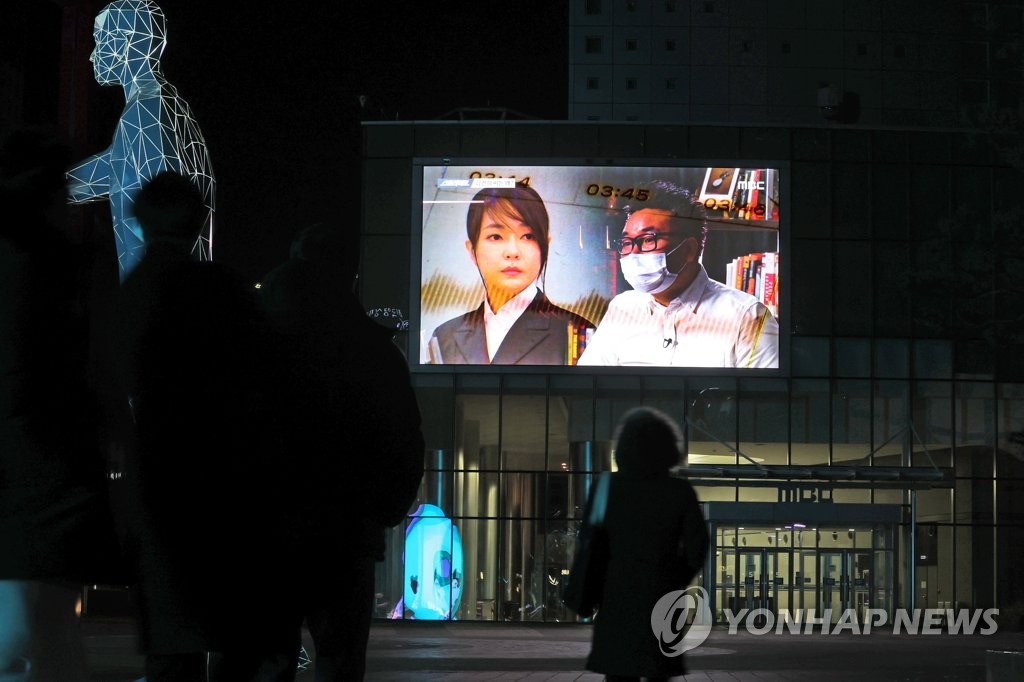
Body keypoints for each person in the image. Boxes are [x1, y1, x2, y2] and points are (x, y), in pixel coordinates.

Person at [114, 171, 282, 681]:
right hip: (227, 485)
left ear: (141, 221)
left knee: (172, 642)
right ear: (197, 222)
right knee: (236, 638)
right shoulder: (222, 292)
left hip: (161, 481)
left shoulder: (131, 295)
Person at [258, 222, 426, 681]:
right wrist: (380, 513)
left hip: (266, 533)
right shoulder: (372, 351)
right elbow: (404, 440)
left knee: (265, 662)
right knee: (340, 664)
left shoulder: (256, 342)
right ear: (349, 276)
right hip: (345, 535)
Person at [0, 128, 125, 681]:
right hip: (42, 496)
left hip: (32, 494)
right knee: (39, 641)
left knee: (32, 640)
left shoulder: (34, 264)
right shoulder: (47, 268)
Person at [66, 0, 215, 282]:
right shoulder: (163, 105)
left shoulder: (146, 110)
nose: (91, 56)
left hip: (164, 302)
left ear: (126, 42)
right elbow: (109, 170)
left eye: (100, 41)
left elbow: (164, 216)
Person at [577, 184, 779, 368]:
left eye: (648, 239)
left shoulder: (748, 317)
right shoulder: (622, 307)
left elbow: (763, 402)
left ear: (690, 249)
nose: (633, 253)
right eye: (627, 242)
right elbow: (589, 388)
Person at [578, 406, 709, 681]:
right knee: (658, 670)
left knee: (619, 672)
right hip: (662, 597)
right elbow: (698, 547)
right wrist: (675, 577)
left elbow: (589, 543)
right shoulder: (679, 491)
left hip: (616, 596)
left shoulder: (606, 487)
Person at [427, 182, 594, 365]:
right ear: (472, 250)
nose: (512, 251)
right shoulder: (444, 337)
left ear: (545, 245)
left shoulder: (577, 333)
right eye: (496, 237)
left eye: (528, 236)